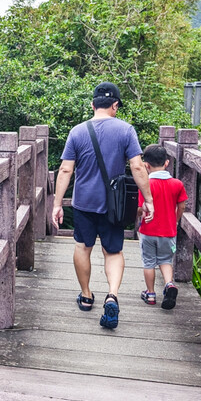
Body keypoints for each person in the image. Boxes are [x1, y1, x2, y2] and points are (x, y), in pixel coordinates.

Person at [52, 82, 154, 329]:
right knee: (113, 251)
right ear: (115, 105)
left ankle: (86, 296)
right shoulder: (126, 130)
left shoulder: (77, 131)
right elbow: (138, 167)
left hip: (84, 202)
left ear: (92, 104)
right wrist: (148, 199)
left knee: (83, 247)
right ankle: (112, 295)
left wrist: (57, 204)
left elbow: (66, 169)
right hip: (114, 205)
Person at [136, 144, 187, 310]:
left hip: (148, 231)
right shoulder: (177, 184)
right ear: (166, 163)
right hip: (168, 231)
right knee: (165, 260)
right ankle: (169, 284)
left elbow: (139, 209)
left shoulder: (145, 184)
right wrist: (175, 220)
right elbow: (182, 206)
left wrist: (139, 214)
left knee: (149, 262)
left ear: (146, 165)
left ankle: (150, 294)